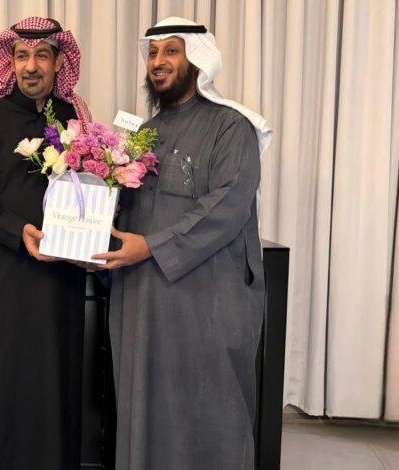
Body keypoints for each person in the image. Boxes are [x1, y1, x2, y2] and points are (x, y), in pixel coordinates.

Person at [92, 17, 273, 470]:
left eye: (171, 51)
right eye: (152, 53)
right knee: (142, 407)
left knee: (208, 408)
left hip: (204, 302)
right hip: (141, 300)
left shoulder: (231, 127)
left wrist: (150, 247)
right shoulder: (142, 134)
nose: (158, 62)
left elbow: (227, 206)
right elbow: (124, 211)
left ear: (197, 58)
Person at [0, 16, 91, 470]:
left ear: (59, 62)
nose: (31, 66)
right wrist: (19, 232)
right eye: (22, 56)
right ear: (10, 62)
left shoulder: (76, 119)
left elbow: (93, 186)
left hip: (60, 282)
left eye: (42, 55)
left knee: (54, 383)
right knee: (0, 386)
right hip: (3, 280)